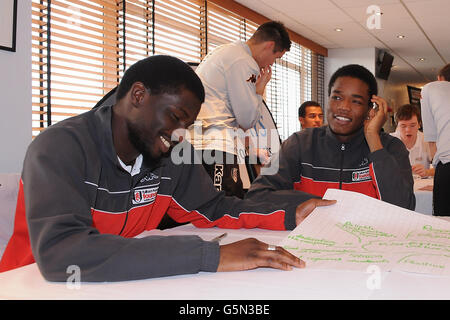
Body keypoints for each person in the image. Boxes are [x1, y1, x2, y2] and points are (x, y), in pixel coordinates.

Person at [0, 56, 335, 281]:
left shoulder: (172, 153)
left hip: (116, 285)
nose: (180, 134)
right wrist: (208, 256)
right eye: (175, 117)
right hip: (34, 286)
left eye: (187, 125)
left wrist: (291, 213)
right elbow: (63, 254)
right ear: (138, 95)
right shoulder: (59, 148)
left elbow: (215, 208)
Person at [245, 64, 415, 210]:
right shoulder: (299, 144)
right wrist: (319, 203)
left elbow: (403, 207)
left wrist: (373, 140)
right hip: (309, 241)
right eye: (337, 97)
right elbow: (257, 195)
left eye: (356, 101)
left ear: (370, 109)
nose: (343, 107)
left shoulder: (391, 147)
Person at [188, 21, 291, 199]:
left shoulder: (227, 51)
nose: (272, 64)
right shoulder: (245, 61)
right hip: (215, 144)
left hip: (200, 142)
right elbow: (247, 119)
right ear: (269, 46)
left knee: (210, 204)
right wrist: (259, 91)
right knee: (225, 205)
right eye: (276, 58)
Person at [420, 63, 450, 216]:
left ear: (440, 79)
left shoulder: (430, 89)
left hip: (448, 164)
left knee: (444, 226)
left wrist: (438, 178)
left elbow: (432, 139)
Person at [391, 104, 434, 178]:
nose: (408, 130)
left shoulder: (427, 140)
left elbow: (442, 167)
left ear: (419, 125)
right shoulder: (390, 141)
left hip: (422, 185)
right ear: (397, 126)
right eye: (403, 126)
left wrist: (427, 172)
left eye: (412, 125)